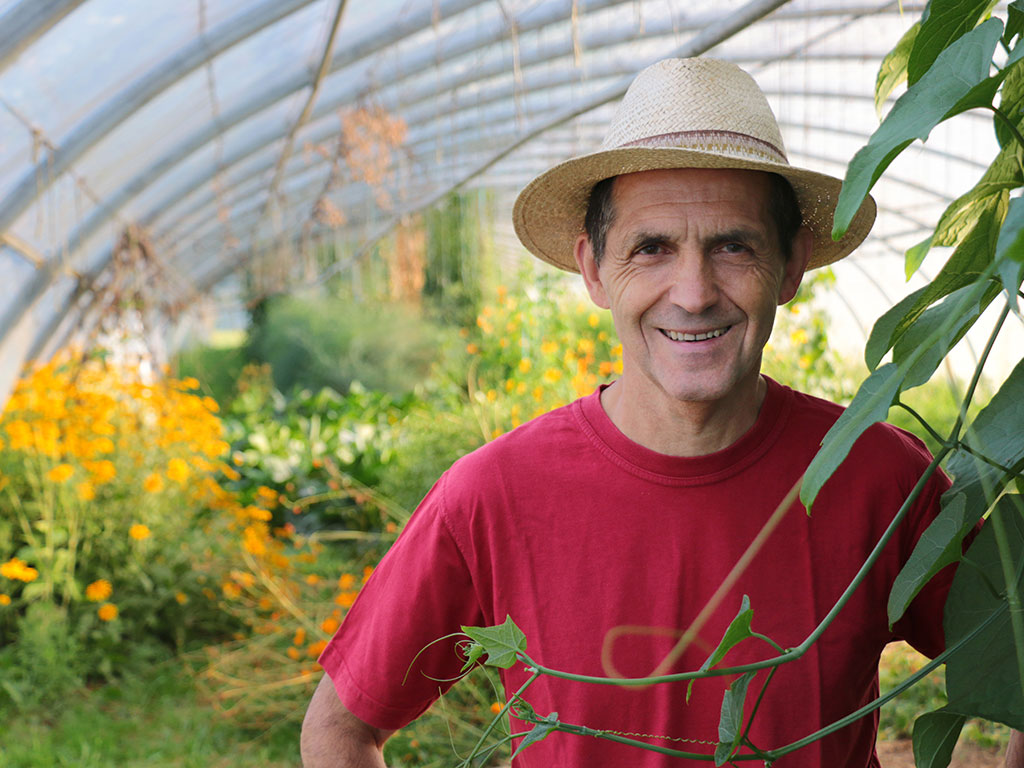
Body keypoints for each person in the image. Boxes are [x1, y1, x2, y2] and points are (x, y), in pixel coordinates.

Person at [300, 58, 1018, 767]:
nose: (695, 291)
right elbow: (338, 730)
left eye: (733, 245)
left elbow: (1011, 662)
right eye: (651, 248)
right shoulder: (491, 497)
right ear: (593, 269)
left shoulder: (879, 477)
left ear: (792, 264)